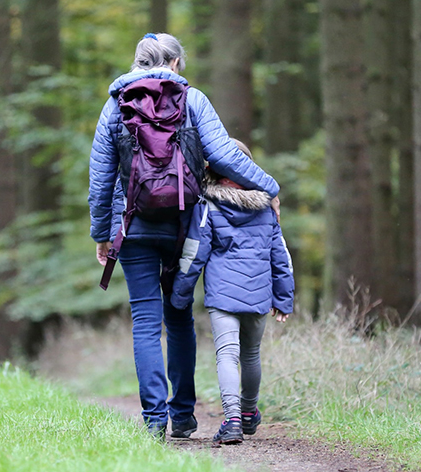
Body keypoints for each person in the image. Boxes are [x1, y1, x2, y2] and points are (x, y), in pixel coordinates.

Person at [88, 33, 281, 439]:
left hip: (134, 225)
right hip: (184, 226)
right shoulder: (193, 100)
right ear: (175, 63)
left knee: (144, 320)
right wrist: (270, 188)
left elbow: (101, 179)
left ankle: (155, 421)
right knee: (178, 317)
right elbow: (226, 155)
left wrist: (102, 234)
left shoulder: (114, 106)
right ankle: (184, 415)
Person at [170, 139, 294, 445]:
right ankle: (250, 413)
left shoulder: (208, 205)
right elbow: (281, 256)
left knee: (227, 355)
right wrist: (284, 298)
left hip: (223, 296)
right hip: (259, 293)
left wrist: (180, 295)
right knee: (251, 354)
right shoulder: (266, 207)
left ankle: (233, 419)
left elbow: (194, 253)